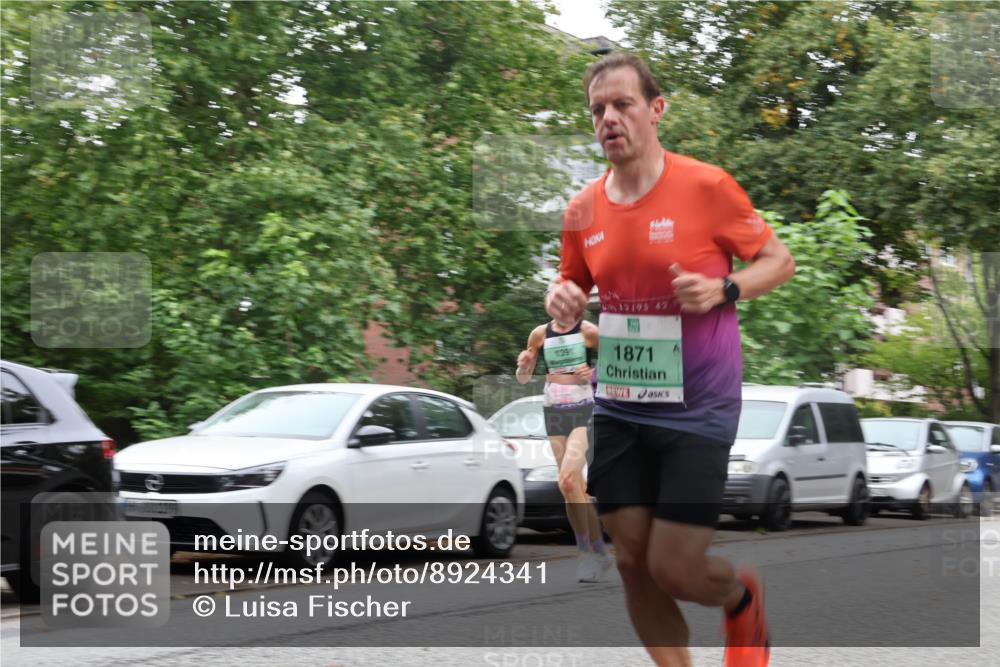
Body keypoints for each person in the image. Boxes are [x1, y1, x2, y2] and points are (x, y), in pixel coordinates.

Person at [546, 53, 796, 667]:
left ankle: (740, 600)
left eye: (622, 104)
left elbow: (779, 262)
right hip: (621, 406)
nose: (609, 118)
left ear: (656, 110)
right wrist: (562, 297)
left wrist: (724, 289)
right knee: (633, 562)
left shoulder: (706, 187)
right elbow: (570, 284)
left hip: (699, 408)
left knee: (675, 568)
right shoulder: (582, 209)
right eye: (598, 110)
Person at [515, 316, 612, 582]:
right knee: (573, 488)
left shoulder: (589, 331)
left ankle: (586, 553)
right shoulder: (539, 334)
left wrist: (593, 374)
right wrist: (523, 365)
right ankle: (599, 552)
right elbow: (523, 379)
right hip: (554, 413)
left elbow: (616, 364)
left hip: (584, 410)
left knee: (567, 480)